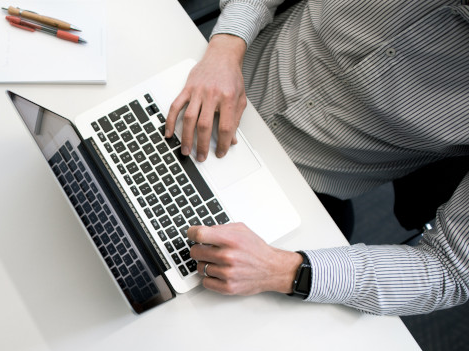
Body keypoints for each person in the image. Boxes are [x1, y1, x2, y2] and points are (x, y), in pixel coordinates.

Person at [164, 0, 469, 315]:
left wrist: (284, 270)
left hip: (291, 191)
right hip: (205, 76)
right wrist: (226, 46)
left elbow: (451, 269)